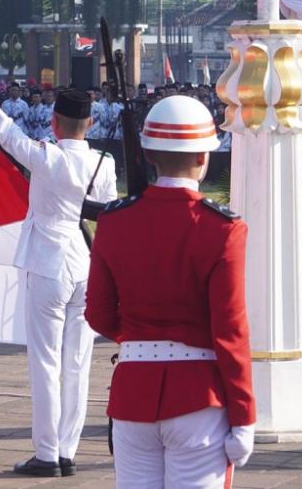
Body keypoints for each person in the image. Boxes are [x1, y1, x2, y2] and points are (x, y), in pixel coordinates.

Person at [0, 53, 118, 477]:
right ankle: (67, 451)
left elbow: (1, 125)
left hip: (47, 265)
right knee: (77, 365)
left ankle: (47, 452)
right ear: (90, 125)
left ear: (55, 124)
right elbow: (108, 214)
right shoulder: (104, 164)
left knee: (46, 363)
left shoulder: (46, 156)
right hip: (86, 266)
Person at [86, 95, 255, 488]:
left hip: (131, 395)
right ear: (203, 157)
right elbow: (230, 332)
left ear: (147, 153)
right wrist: (244, 414)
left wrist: (144, 340)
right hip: (198, 396)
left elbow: (98, 313)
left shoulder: (114, 221)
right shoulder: (222, 229)